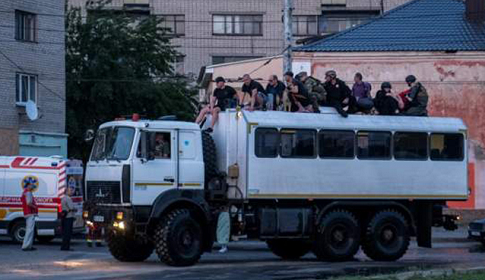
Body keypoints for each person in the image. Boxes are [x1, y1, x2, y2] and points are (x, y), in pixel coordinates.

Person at [21, 180, 38, 251]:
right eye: (31, 185)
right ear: (28, 185)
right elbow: (28, 203)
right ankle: (26, 246)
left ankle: (28, 245)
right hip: (30, 213)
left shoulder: (24, 192)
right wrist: (35, 207)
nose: (32, 186)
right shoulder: (28, 193)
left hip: (27, 213)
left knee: (29, 230)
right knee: (30, 230)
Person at [61, 186, 77, 251]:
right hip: (69, 217)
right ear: (67, 191)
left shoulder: (63, 198)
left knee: (65, 233)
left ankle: (63, 246)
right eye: (70, 191)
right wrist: (75, 209)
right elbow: (72, 208)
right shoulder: (68, 198)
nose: (72, 192)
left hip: (64, 217)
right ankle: (66, 247)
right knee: (68, 233)